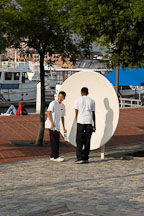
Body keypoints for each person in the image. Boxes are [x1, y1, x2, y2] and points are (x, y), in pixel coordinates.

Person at [74, 87, 96, 164]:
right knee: (87, 140)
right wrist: (94, 125)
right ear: (88, 92)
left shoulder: (77, 100)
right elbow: (93, 114)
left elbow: (76, 111)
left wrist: (77, 120)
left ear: (81, 92)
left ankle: (80, 157)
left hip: (80, 122)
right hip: (89, 122)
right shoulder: (92, 101)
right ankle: (85, 157)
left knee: (79, 140)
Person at [45, 91, 67, 162]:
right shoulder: (53, 103)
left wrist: (63, 127)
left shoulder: (63, 106)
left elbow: (62, 117)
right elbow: (48, 112)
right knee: (55, 141)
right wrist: (51, 123)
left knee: (56, 141)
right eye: (59, 96)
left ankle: (52, 156)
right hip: (52, 125)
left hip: (57, 126)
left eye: (62, 97)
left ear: (64, 98)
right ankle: (56, 156)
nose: (60, 98)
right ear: (58, 96)